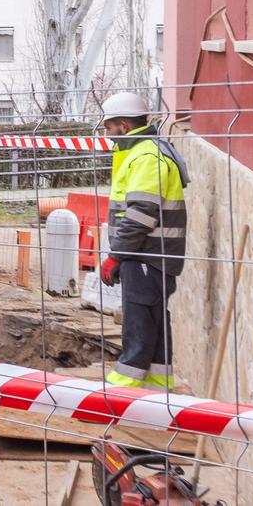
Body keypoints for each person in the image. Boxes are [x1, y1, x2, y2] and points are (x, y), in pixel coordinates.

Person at [97, 92, 190, 390]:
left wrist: (116, 256)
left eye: (109, 128)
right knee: (153, 320)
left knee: (138, 322)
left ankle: (124, 386)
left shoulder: (146, 157)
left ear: (124, 126)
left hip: (147, 255)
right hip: (153, 255)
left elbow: (140, 215)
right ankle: (157, 383)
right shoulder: (148, 151)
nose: (108, 136)